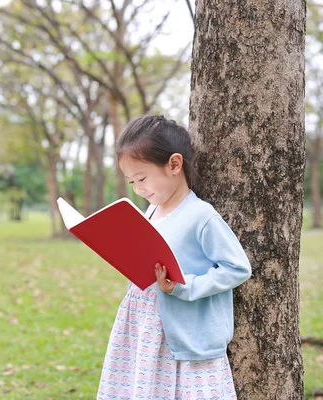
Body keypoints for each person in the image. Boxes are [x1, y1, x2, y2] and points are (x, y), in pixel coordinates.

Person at [97, 115, 251, 399]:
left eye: (142, 178)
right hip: (143, 326)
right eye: (132, 182)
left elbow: (237, 268)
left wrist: (185, 286)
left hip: (182, 333)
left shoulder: (201, 216)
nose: (139, 189)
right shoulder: (152, 210)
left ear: (174, 164)